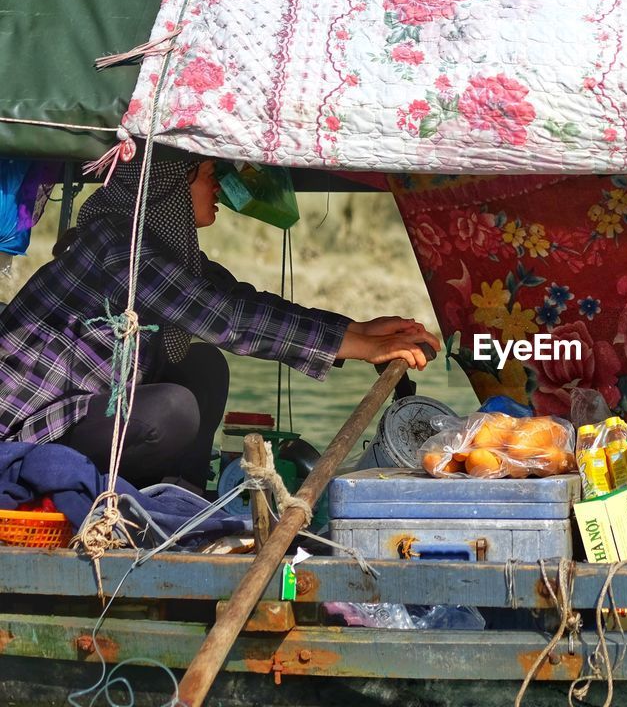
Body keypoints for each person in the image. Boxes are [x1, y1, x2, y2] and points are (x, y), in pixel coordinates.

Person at [0, 157, 439, 491]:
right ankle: (129, 498)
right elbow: (228, 320)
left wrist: (360, 331)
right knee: (173, 409)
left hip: (79, 415)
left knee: (203, 365)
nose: (219, 190)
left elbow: (238, 301)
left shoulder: (157, 250)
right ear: (169, 186)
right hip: (28, 434)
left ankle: (180, 493)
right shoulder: (120, 248)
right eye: (210, 176)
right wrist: (363, 348)